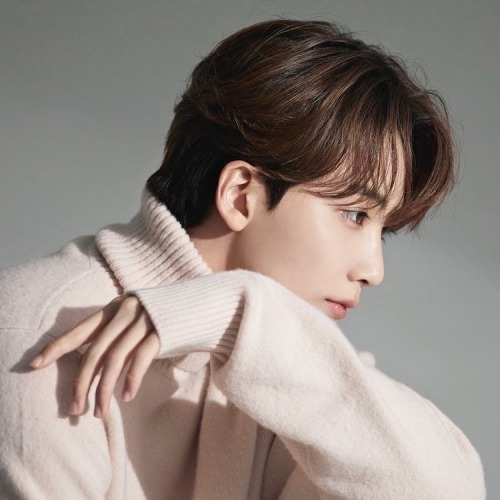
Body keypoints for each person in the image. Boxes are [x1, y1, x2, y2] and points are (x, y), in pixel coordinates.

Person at [0, 19, 485, 500]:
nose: (373, 271)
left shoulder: (283, 362)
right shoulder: (39, 334)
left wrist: (240, 312)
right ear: (239, 195)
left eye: (384, 231)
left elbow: (451, 490)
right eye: (354, 215)